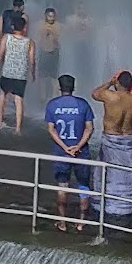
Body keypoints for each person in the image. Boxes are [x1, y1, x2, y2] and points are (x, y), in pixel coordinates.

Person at [45, 75, 95, 232]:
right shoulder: (83, 104)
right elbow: (89, 128)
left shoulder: (52, 105)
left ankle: (62, 222)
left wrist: (65, 147)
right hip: (81, 152)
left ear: (60, 88)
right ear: (73, 87)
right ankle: (81, 222)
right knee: (84, 187)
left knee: (62, 186)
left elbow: (51, 129)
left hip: (62, 152)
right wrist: (78, 145)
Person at [91, 71, 132, 217]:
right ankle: (124, 202)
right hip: (127, 138)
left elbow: (95, 93)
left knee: (107, 169)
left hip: (111, 136)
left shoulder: (110, 96)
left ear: (118, 83)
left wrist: (109, 82)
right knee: (125, 170)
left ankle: (105, 202)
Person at [0, 14, 34, 131]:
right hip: (21, 74)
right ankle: (18, 128)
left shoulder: (6, 37)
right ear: (24, 28)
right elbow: (32, 60)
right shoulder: (29, 42)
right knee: (19, 99)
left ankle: (0, 120)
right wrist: (32, 73)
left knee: (3, 94)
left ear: (12, 27)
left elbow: (0, 54)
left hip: (7, 72)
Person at [35, 7, 62, 100]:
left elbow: (61, 39)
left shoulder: (58, 26)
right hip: (43, 52)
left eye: (53, 16)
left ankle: (54, 97)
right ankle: (42, 98)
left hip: (54, 52)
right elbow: (37, 38)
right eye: (49, 16)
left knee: (54, 77)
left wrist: (53, 34)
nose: (51, 18)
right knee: (42, 77)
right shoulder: (40, 25)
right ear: (45, 16)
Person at [64, 0, 93, 68]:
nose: (82, 10)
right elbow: (66, 34)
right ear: (76, 9)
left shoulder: (90, 20)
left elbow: (93, 34)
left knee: (86, 67)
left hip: (87, 46)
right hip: (75, 45)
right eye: (79, 8)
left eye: (83, 8)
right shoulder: (70, 19)